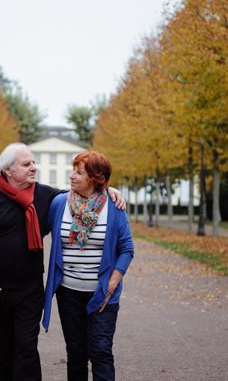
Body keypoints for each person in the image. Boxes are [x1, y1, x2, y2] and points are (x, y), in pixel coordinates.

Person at [0, 143, 125, 381]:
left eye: (33, 162)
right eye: (27, 164)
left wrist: (109, 189)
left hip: (29, 290)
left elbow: (83, 193)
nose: (34, 168)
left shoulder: (45, 196)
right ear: (8, 170)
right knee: (0, 353)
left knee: (26, 349)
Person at [42, 151, 134, 381]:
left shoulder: (114, 206)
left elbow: (127, 250)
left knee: (101, 352)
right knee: (75, 353)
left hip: (103, 294)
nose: (71, 176)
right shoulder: (60, 203)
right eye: (73, 170)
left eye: (78, 172)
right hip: (68, 293)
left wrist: (110, 287)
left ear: (96, 178)